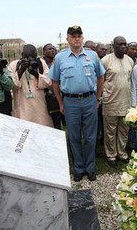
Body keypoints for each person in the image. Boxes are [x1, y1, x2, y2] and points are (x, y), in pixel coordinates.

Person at [49, 25, 105, 182]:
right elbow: (54, 81)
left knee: (90, 136)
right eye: (73, 36)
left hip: (89, 100)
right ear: (67, 39)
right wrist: (61, 102)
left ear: (83, 37)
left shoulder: (92, 56)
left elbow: (101, 77)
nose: (76, 38)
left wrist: (97, 98)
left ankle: (90, 168)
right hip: (70, 102)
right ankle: (78, 168)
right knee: (73, 136)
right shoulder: (60, 58)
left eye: (79, 35)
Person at [101, 36, 134, 167]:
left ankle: (122, 153)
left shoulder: (130, 60)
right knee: (110, 132)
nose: (123, 47)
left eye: (125, 44)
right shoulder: (105, 60)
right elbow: (100, 80)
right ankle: (111, 155)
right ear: (113, 46)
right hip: (110, 101)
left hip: (126, 102)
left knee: (124, 130)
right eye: (120, 44)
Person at [8, 44, 53, 127]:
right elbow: (11, 85)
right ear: (22, 56)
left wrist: (36, 74)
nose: (30, 60)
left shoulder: (40, 63)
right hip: (22, 108)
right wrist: (21, 70)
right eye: (27, 57)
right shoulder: (14, 65)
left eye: (33, 57)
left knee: (42, 129)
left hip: (40, 108)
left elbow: (48, 82)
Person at [42, 43, 64, 129]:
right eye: (50, 49)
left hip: (63, 96)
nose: (52, 50)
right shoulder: (40, 64)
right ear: (44, 52)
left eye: (54, 49)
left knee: (69, 123)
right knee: (55, 124)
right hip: (50, 99)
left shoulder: (61, 62)